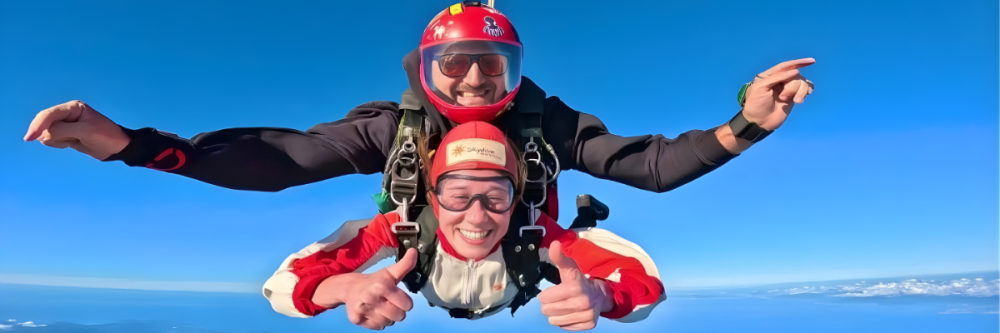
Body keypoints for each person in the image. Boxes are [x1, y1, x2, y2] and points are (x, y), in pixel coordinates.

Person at [21, 2, 816, 207]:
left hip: (517, 243)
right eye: (458, 67)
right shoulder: (394, 127)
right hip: (422, 239)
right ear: (426, 69)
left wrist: (745, 124)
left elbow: (647, 166)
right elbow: (279, 160)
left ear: (515, 69)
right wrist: (129, 144)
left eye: (492, 66)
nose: (475, 84)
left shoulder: (545, 121)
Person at [262, 121, 665, 330]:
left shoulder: (536, 232)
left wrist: (600, 296)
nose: (477, 215)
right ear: (433, 197)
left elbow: (645, 285)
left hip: (518, 279)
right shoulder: (402, 230)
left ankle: (585, 215)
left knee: (576, 244)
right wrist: (342, 287)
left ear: (516, 199)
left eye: (496, 196)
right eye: (458, 195)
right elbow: (281, 287)